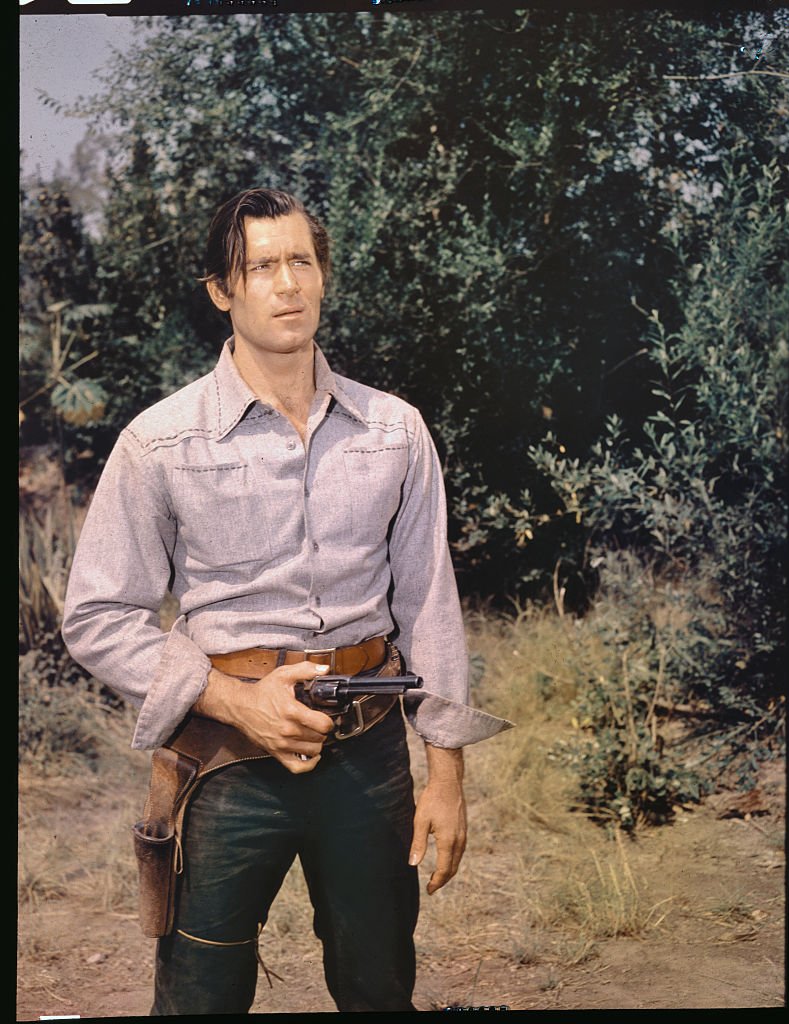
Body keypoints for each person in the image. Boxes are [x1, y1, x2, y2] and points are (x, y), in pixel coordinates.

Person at [61, 188, 510, 1015]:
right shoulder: (159, 441)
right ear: (220, 290)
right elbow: (96, 616)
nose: (285, 284)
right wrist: (235, 701)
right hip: (226, 762)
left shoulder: (394, 431)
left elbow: (429, 605)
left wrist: (444, 775)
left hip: (369, 757)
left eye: (300, 260)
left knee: (378, 983)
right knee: (201, 993)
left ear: (324, 274)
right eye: (259, 267)